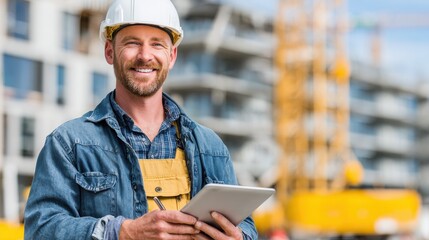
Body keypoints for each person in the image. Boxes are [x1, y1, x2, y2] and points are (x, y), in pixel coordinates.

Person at [23, 0, 258, 239]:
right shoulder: (69, 144)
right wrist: (122, 232)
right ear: (109, 51)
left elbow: (246, 225)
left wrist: (239, 237)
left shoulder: (211, 148)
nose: (145, 56)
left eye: (156, 44)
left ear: (172, 55)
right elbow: (40, 229)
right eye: (132, 43)